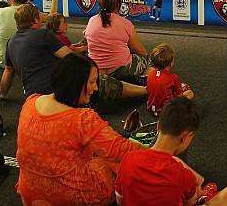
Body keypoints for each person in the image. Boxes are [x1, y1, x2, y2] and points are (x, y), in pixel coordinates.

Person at [15, 54, 144, 205]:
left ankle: (124, 134)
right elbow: (122, 152)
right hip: (73, 196)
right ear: (75, 84)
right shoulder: (83, 119)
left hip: (31, 192)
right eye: (92, 82)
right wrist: (160, 150)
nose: (95, 88)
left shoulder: (30, 102)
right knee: (115, 164)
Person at [116, 97, 227, 206]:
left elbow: (120, 201)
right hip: (187, 189)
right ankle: (203, 196)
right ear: (186, 136)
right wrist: (197, 193)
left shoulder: (128, 159)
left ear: (158, 125)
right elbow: (190, 203)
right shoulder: (182, 175)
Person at [0, 3, 85, 98]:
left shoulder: (10, 41)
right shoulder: (43, 35)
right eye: (40, 14)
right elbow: (71, 57)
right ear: (35, 20)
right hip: (54, 92)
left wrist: (1, 95)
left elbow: (8, 71)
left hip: (32, 96)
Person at [85, 0, 153, 86]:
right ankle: (142, 81)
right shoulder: (125, 23)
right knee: (150, 59)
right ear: (119, 4)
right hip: (121, 70)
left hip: (96, 71)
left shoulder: (91, 20)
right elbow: (140, 51)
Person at [146, 44, 194, 116]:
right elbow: (179, 97)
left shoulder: (150, 74)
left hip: (151, 109)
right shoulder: (173, 77)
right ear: (171, 63)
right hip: (166, 111)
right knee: (190, 92)